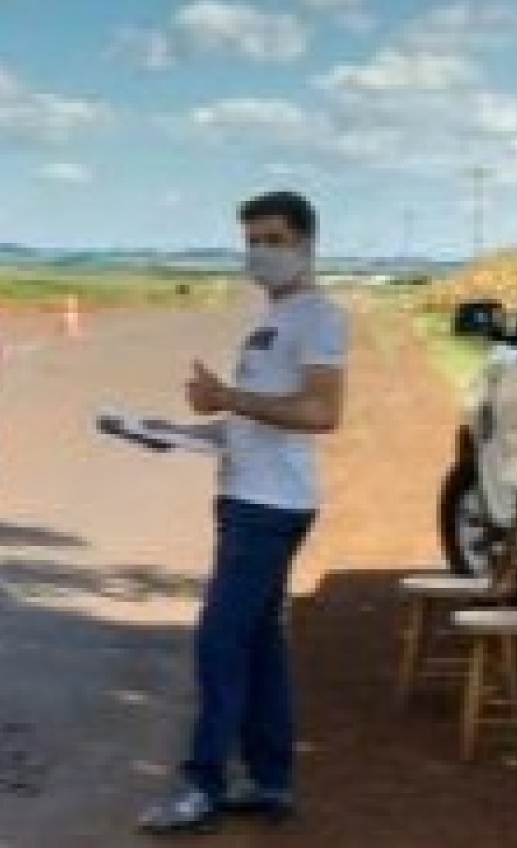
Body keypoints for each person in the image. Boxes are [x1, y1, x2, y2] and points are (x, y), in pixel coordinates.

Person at [138, 190, 350, 835]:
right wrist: (178, 431)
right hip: (246, 495)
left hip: (270, 506)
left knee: (220, 642)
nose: (261, 252)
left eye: (275, 239)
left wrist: (227, 396)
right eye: (253, 240)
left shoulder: (319, 318)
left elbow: (321, 413)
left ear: (307, 245)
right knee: (259, 645)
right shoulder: (271, 321)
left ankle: (202, 786)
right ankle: (269, 779)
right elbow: (250, 423)